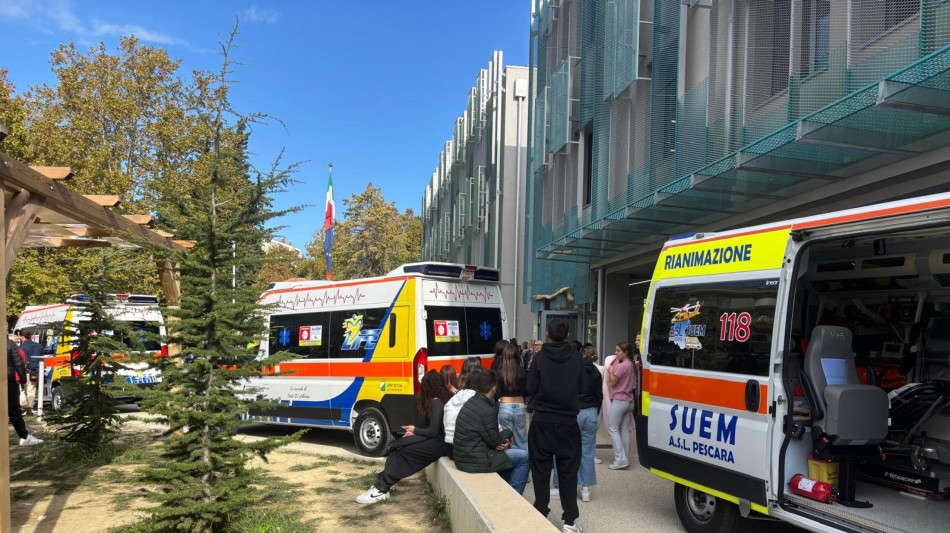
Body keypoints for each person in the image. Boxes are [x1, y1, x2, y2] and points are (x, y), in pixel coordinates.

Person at [356, 371, 453, 504]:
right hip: (441, 442)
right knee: (400, 445)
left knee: (402, 450)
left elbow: (433, 432)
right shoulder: (442, 399)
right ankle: (383, 483)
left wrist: (414, 430)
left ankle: (382, 488)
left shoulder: (436, 402)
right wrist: (415, 433)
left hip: (440, 444)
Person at [526, 318, 584, 533]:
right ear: (567, 335)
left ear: (547, 335)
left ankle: (540, 513)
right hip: (568, 422)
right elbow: (582, 387)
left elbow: (530, 386)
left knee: (540, 470)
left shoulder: (540, 357)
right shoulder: (576, 357)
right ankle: (569, 521)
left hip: (542, 420)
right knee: (568, 472)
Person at [452, 369, 530, 494]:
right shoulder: (487, 410)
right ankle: (514, 496)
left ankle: (505, 490)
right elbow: (496, 442)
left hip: (463, 458)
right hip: (476, 461)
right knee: (523, 457)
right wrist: (508, 432)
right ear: (493, 388)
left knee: (510, 457)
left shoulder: (470, 403)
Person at [551, 346, 602, 501]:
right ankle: (585, 489)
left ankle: (559, 486)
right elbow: (599, 396)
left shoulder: (573, 369)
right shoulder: (596, 372)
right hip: (591, 412)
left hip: (574, 412)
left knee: (563, 449)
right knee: (587, 451)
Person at [606, 342, 636, 470]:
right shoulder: (631, 365)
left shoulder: (622, 366)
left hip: (619, 400)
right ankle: (625, 459)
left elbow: (613, 382)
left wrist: (611, 371)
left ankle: (620, 459)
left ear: (626, 352)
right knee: (624, 430)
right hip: (629, 401)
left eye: (618, 351)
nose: (616, 353)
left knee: (613, 429)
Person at [6, 339, 42, 446]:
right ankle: (24, 436)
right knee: (13, 410)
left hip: (8, 379)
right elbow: (18, 363)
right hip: (8, 380)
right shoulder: (10, 344)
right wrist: (23, 380)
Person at [496, 343, 528, 450]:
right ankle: (522, 458)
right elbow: (527, 390)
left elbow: (497, 393)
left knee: (506, 439)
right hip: (520, 405)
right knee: (521, 439)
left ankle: (509, 459)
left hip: (505, 405)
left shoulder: (500, 372)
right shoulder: (523, 371)